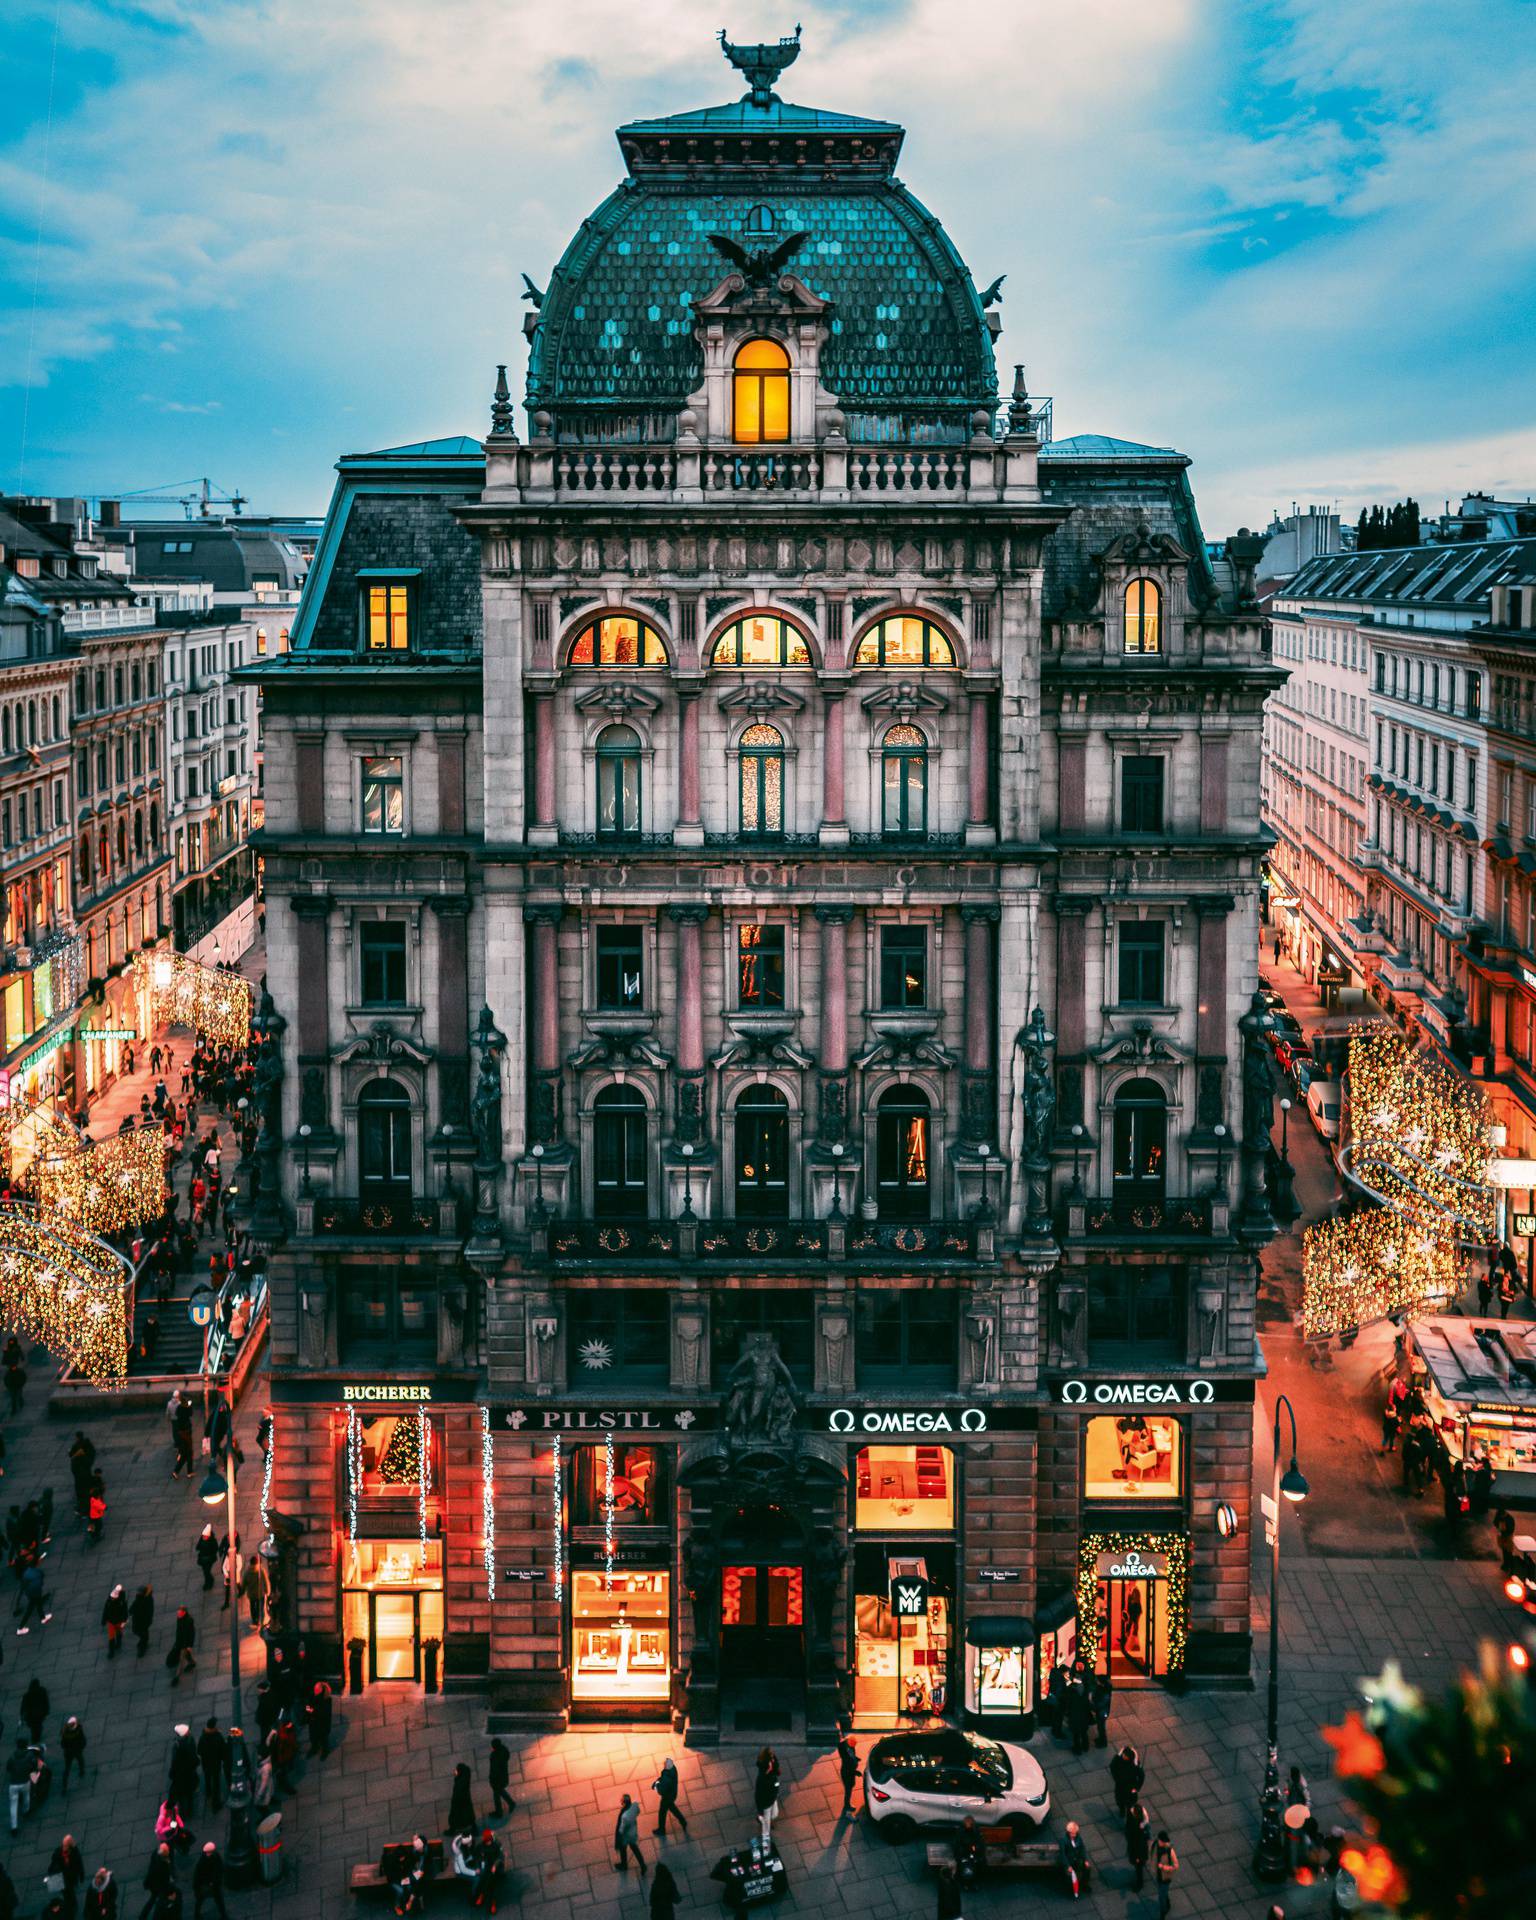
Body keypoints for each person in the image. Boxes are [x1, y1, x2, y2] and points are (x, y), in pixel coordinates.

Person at [48, 1835, 86, 1911]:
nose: (64, 1847)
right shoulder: (58, 1852)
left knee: (70, 1891)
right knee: (64, 1891)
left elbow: (79, 1864)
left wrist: (81, 1875)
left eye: (66, 1846)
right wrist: (51, 1872)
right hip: (61, 1876)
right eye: (63, 1845)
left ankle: (72, 1904)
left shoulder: (75, 1852)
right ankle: (68, 1901)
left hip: (71, 1876)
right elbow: (53, 1863)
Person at [198, 1722, 229, 1814]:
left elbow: (199, 1751)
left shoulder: (202, 1737)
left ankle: (208, 1792)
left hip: (206, 1764)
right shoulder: (218, 1737)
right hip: (215, 1765)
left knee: (207, 1777)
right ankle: (216, 1804)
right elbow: (223, 1751)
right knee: (216, 1783)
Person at [752, 1748, 780, 1848]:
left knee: (775, 1814)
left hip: (773, 1797)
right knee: (766, 1822)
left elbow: (776, 1767)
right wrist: (760, 1810)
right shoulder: (762, 1780)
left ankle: (761, 1818)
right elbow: (758, 1797)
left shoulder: (772, 1763)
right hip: (766, 1803)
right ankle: (765, 1837)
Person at [653, 1754, 687, 1834]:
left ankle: (662, 1829)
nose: (664, 1765)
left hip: (667, 1797)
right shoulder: (673, 1769)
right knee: (672, 1808)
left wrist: (656, 1784)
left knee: (662, 1812)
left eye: (665, 1764)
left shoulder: (666, 1777)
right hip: (672, 1794)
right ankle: (683, 1821)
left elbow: (660, 1790)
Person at [1110, 1743, 1145, 1819]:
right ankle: (1122, 1811)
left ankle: (1129, 1814)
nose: (1123, 1756)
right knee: (1119, 1801)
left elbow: (1141, 1777)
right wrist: (1118, 1754)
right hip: (1120, 1787)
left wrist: (1136, 1788)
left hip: (1130, 1788)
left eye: (1125, 1755)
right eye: (1123, 1754)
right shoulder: (1120, 1761)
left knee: (1130, 1804)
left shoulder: (1135, 1766)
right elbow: (1112, 1766)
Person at [614, 1792, 646, 1874]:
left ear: (624, 1802)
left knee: (623, 1849)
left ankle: (624, 1865)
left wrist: (617, 1840)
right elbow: (638, 1812)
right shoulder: (634, 1806)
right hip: (633, 1832)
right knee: (635, 1849)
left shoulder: (624, 1815)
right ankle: (642, 1865)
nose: (620, 1800)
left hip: (626, 1835)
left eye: (621, 1800)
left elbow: (621, 1829)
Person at [475, 1830, 506, 1914]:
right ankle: (484, 1896)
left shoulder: (496, 1845)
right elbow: (478, 1857)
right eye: (487, 1841)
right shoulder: (480, 1846)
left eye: (489, 1841)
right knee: (484, 1879)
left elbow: (500, 1857)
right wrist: (478, 1867)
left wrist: (495, 1865)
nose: (489, 1843)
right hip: (486, 1866)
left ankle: (487, 1899)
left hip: (495, 1867)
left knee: (491, 1882)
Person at [141, 1843, 175, 1917]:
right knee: (157, 1900)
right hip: (158, 1886)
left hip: (153, 1884)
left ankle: (143, 1915)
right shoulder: (162, 1865)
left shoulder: (156, 1854)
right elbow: (164, 1878)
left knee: (153, 1899)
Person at [1059, 1821, 1091, 1899]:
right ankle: (1072, 1890)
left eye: (1075, 1833)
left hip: (1078, 1859)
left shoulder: (1078, 1838)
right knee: (1069, 1875)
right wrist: (1067, 1866)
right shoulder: (1063, 1841)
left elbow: (1082, 1849)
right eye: (1072, 1833)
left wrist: (1085, 1860)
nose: (1074, 1835)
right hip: (1069, 1861)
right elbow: (1063, 1855)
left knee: (1087, 1868)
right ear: (1068, 1832)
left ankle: (1084, 1885)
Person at [6, 1736, 32, 1831]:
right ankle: (25, 1811)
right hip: (25, 1781)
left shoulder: (12, 1757)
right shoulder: (29, 1755)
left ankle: (14, 1826)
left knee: (13, 1804)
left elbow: (8, 1768)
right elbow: (33, 1766)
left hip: (13, 1784)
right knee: (26, 1796)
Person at [1126, 1803, 1153, 1891]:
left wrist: (1137, 1856)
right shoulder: (1140, 1823)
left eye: (1133, 1811)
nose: (1131, 1810)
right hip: (1140, 1851)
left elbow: (1138, 1844)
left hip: (1138, 1853)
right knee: (1139, 1867)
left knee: (1139, 1869)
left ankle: (1139, 1884)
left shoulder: (1137, 1828)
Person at [1152, 1830, 1179, 1917]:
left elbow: (1176, 1865)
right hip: (1158, 1875)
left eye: (1162, 1841)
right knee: (1163, 1893)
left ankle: (1163, 1913)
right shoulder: (1155, 1845)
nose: (1160, 1842)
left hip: (1166, 1877)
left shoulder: (1169, 1851)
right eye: (1160, 1840)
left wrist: (1164, 1867)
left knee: (1161, 1897)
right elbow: (1152, 1854)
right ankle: (1167, 1903)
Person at [304, 1682, 333, 1759]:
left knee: (323, 1739)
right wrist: (310, 1710)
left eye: (316, 1690)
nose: (314, 1691)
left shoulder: (326, 1699)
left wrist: (312, 1711)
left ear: (320, 1690)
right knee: (313, 1737)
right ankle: (314, 1748)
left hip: (322, 1724)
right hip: (313, 1722)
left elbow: (322, 1713)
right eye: (314, 1689)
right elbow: (307, 1706)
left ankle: (325, 1751)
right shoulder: (312, 1696)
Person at [1065, 1675, 1092, 1755]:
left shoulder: (1073, 1695)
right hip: (1083, 1718)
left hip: (1075, 1718)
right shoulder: (1084, 1693)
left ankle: (1078, 1750)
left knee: (1076, 1735)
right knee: (1084, 1733)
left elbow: (1069, 1706)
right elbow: (1088, 1706)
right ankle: (1085, 1747)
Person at [168, 1607, 196, 1684]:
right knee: (187, 1656)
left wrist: (189, 1646)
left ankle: (176, 1677)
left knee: (181, 1660)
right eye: (178, 1613)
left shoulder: (189, 1621)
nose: (179, 1614)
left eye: (180, 1613)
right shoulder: (179, 1619)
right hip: (180, 1642)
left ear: (184, 1613)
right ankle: (192, 1663)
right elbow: (178, 1631)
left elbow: (192, 1634)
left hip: (185, 1644)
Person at [953, 1816, 983, 1887]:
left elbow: (980, 1843)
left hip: (971, 1852)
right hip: (964, 1852)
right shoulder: (961, 1831)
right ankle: (967, 1882)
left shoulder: (974, 1831)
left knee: (975, 1863)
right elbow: (957, 1844)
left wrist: (975, 1849)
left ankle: (970, 1881)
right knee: (965, 1863)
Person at [487, 1736, 513, 1817]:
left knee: (496, 1795)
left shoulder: (495, 1756)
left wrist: (491, 1780)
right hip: (503, 1777)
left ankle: (499, 1812)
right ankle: (511, 1803)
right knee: (500, 1792)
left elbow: (494, 1770)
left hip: (497, 1780)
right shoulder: (504, 1751)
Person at [60, 1716, 87, 1790]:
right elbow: (83, 1740)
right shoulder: (79, 1730)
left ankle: (64, 1786)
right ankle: (82, 1771)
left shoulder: (64, 1732)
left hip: (68, 1753)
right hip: (77, 1750)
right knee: (80, 1760)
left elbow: (62, 1744)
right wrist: (81, 1747)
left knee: (67, 1768)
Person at [22, 1675, 51, 1744]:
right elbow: (46, 1701)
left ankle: (35, 1738)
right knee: (38, 1725)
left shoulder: (27, 1694)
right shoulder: (42, 1690)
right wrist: (47, 1710)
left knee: (34, 1727)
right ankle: (37, 1737)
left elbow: (24, 1706)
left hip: (31, 1715)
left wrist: (22, 1714)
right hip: (40, 1713)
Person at [448, 1762, 475, 1835]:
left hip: (458, 1803)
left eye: (456, 1770)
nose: (455, 1771)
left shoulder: (459, 1783)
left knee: (454, 1816)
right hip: (466, 1800)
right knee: (469, 1814)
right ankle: (474, 1828)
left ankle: (452, 1830)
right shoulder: (466, 1775)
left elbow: (456, 1795)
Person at [836, 1734, 859, 1816]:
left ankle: (847, 1804)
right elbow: (849, 1769)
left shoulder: (849, 1746)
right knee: (848, 1790)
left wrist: (856, 1758)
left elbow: (852, 1754)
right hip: (847, 1774)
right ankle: (847, 1805)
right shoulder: (845, 1757)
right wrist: (856, 1772)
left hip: (849, 1772)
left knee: (849, 1789)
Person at [131, 1585, 155, 1658]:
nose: (137, 1593)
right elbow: (134, 1606)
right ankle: (143, 1643)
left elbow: (149, 1611)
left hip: (143, 1621)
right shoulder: (140, 1599)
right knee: (138, 1632)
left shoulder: (146, 1600)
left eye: (139, 1592)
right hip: (138, 1620)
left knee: (143, 1634)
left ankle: (142, 1648)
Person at [1090, 1670, 1112, 1748]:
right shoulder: (1103, 1688)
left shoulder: (1105, 1693)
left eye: (1098, 1681)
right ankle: (1101, 1739)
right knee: (1100, 1727)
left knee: (1101, 1727)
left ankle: (1103, 1742)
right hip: (1101, 1711)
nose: (1096, 1681)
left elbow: (1100, 1704)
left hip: (1102, 1713)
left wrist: (1092, 1707)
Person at [195, 1528, 219, 1593]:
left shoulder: (213, 1541)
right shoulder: (201, 1539)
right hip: (202, 1559)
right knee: (205, 1571)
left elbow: (216, 1549)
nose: (204, 1537)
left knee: (206, 1571)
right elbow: (198, 1547)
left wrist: (209, 1552)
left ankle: (208, 1583)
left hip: (209, 1560)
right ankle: (210, 1580)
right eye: (203, 1536)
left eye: (205, 1536)